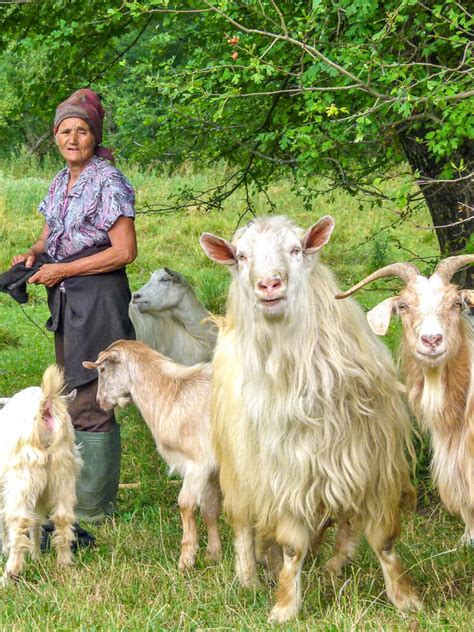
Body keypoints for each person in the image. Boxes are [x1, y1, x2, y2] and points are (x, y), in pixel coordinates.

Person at [12, 88, 137, 525]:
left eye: (81, 131)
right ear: (56, 136)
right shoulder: (60, 181)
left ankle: (95, 511)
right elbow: (52, 237)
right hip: (69, 299)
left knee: (93, 397)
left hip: (100, 298)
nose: (72, 138)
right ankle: (79, 498)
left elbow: (124, 251)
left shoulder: (108, 180)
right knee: (70, 392)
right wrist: (33, 253)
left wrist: (63, 271)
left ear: (93, 135)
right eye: (65, 131)